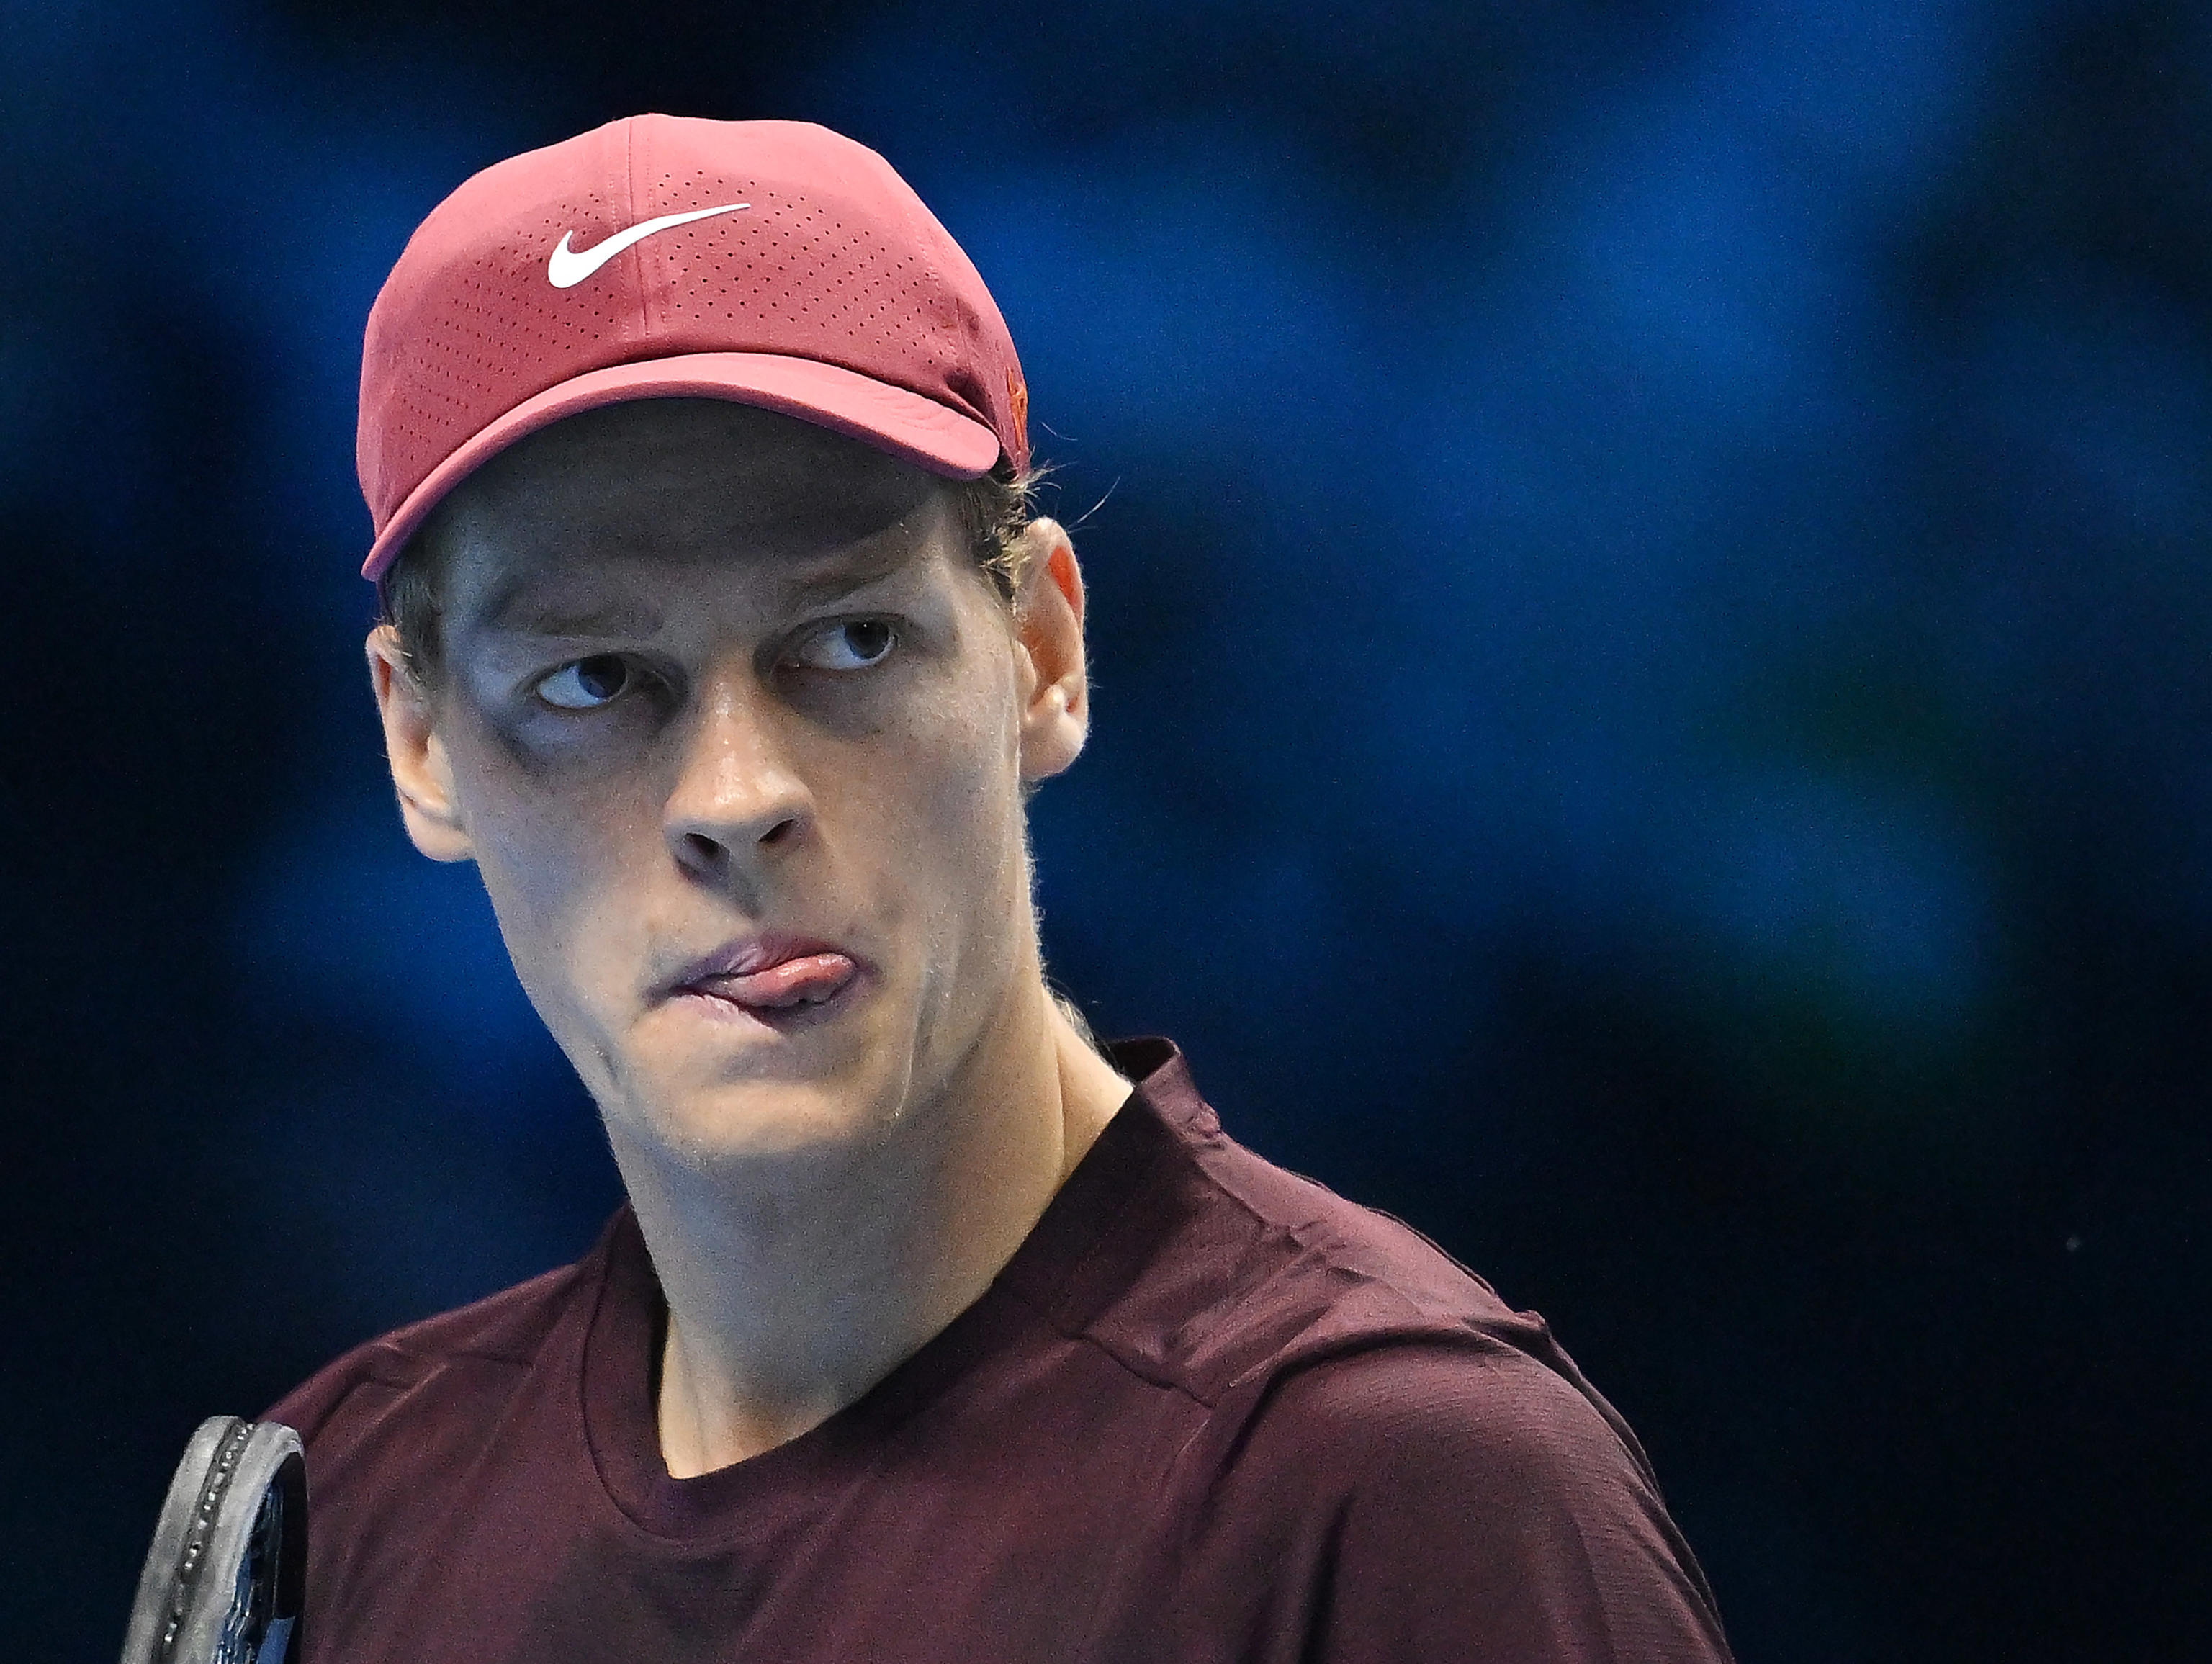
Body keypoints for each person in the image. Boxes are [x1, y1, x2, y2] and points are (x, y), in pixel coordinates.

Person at [269, 113, 1735, 1663]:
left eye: (850, 640)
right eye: (593, 679)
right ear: (420, 745)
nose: (737, 798)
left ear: (1042, 649)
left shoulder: (1404, 1501)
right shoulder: (348, 1513)